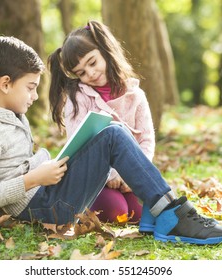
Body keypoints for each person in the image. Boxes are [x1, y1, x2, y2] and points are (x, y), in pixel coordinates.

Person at [0, 35, 222, 245]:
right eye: (31, 88)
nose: (34, 97)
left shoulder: (8, 113)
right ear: (5, 83)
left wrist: (49, 168)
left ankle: (164, 210)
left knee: (109, 133)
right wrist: (36, 178)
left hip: (45, 193)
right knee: (113, 135)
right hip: (42, 207)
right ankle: (171, 214)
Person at [48, 20, 156, 224]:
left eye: (92, 62)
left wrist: (131, 175)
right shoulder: (78, 98)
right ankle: (88, 204)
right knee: (117, 211)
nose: (90, 74)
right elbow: (79, 148)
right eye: (81, 72)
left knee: (139, 213)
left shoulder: (135, 95)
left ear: (105, 51)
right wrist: (112, 175)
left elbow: (146, 140)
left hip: (130, 177)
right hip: (95, 180)